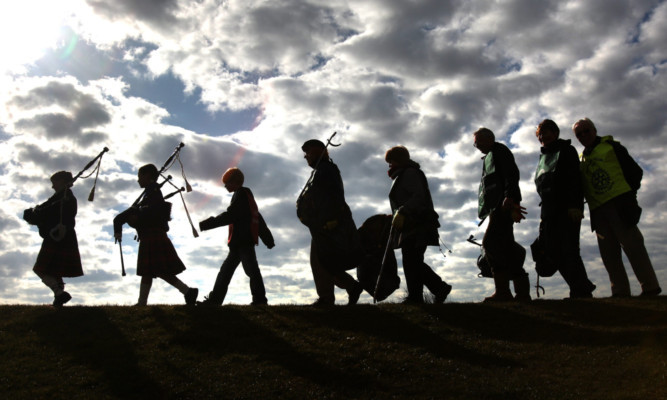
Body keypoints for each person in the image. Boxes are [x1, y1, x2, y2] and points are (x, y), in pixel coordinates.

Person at [573, 118, 661, 297]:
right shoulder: (582, 158)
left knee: (634, 247)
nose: (583, 136)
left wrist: (628, 197)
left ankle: (650, 287)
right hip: (598, 212)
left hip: (619, 206)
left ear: (595, 130)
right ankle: (620, 292)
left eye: (586, 131)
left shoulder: (612, 147)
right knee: (609, 255)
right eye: (579, 134)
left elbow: (635, 172)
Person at [113, 164, 198, 306]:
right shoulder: (151, 192)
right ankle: (185, 292)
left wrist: (135, 219)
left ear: (148, 176)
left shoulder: (153, 192)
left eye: (140, 176)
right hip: (151, 236)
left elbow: (151, 214)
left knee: (157, 270)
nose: (138, 179)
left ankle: (187, 292)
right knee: (149, 271)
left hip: (153, 235)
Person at [533, 119, 596, 298]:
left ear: (555, 133)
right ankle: (582, 286)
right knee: (553, 250)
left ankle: (580, 290)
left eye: (546, 132)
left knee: (569, 250)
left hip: (566, 209)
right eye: (540, 134)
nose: (543, 137)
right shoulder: (543, 158)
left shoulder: (566, 150)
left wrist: (575, 205)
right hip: (548, 211)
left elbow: (574, 179)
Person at [297, 139, 363, 306]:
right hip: (323, 223)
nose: (306, 156)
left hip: (328, 224)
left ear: (319, 151)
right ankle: (350, 286)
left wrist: (330, 220)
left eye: (308, 152)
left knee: (322, 261)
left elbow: (333, 198)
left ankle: (327, 298)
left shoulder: (326, 170)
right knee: (325, 261)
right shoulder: (323, 170)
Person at [198, 168, 275, 306]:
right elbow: (257, 217)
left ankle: (259, 300)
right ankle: (216, 300)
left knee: (246, 271)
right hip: (240, 242)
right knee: (231, 272)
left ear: (234, 182)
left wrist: (207, 224)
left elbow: (230, 215)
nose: (225, 186)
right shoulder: (246, 196)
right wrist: (268, 239)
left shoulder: (241, 195)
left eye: (227, 182)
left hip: (242, 241)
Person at [385, 146, 452, 303]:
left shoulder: (409, 173)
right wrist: (397, 213)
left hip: (418, 224)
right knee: (412, 261)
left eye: (391, 161)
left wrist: (402, 211)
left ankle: (433, 290)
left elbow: (418, 197)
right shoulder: (403, 174)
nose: (389, 165)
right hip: (411, 224)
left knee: (412, 261)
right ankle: (424, 293)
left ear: (399, 160)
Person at [474, 127, 530, 302]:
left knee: (490, 243)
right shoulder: (491, 155)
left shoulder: (500, 151)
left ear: (488, 139)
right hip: (498, 207)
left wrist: (510, 197)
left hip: (503, 206)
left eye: (478, 142)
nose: (476, 146)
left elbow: (511, 174)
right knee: (505, 246)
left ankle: (504, 292)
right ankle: (521, 293)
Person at [23, 171, 84, 306]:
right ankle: (59, 298)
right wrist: (35, 213)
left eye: (54, 183)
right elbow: (45, 210)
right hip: (62, 237)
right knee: (55, 271)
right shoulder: (59, 198)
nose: (53, 187)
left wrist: (34, 215)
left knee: (40, 269)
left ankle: (59, 293)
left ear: (62, 181)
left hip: (58, 237)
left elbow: (46, 213)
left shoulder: (66, 198)